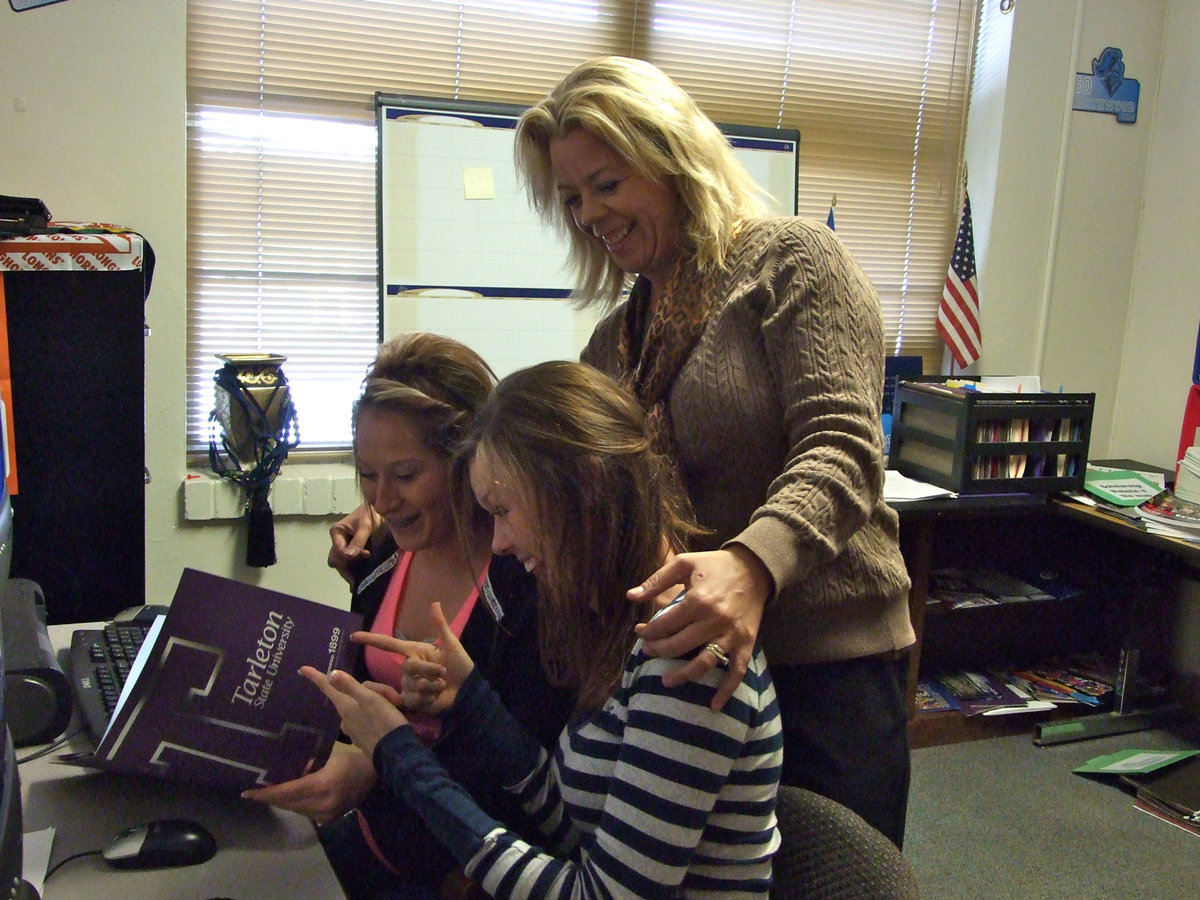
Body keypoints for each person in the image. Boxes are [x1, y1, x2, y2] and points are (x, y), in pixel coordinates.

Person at [332, 55, 916, 846]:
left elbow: (843, 446)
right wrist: (402, 509)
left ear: (674, 159)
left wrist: (749, 569)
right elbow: (551, 479)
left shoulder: (795, 263)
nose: (588, 214)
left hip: (822, 659)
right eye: (571, 198)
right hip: (682, 666)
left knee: (831, 868)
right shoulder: (613, 340)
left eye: (607, 184)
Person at [306, 359, 782, 899]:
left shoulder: (685, 654)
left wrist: (398, 755)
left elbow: (597, 894)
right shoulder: (619, 629)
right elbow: (570, 828)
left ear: (585, 489)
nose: (501, 542)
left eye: (504, 512)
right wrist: (472, 703)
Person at [245, 332, 574, 898]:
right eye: (367, 474)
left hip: (464, 873)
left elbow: (527, 776)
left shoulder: (527, 582)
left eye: (404, 475)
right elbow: (367, 702)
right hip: (380, 842)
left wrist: (375, 771)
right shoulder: (375, 560)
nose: (380, 500)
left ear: (468, 461)